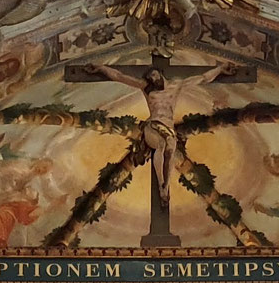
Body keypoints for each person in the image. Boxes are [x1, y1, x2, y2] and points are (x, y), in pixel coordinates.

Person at [92, 61, 228, 219]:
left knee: (170, 151)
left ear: (160, 73)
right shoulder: (146, 88)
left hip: (169, 128)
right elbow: (120, 76)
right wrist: (101, 68)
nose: (152, 79)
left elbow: (203, 78)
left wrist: (220, 69)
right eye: (150, 78)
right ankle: (162, 185)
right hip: (153, 125)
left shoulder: (176, 86)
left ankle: (166, 185)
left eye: (154, 75)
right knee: (162, 145)